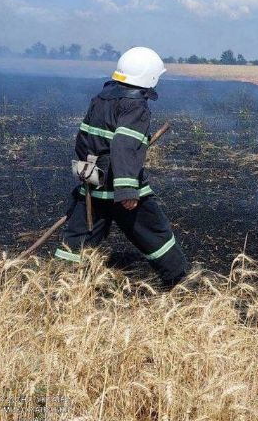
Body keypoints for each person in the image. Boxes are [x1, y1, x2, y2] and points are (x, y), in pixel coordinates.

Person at [54, 46, 190, 286]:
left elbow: (84, 138)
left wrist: (86, 173)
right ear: (150, 77)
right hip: (119, 188)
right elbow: (124, 147)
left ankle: (62, 283)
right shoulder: (135, 106)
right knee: (155, 234)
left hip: (94, 183)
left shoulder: (100, 99)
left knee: (79, 237)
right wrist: (127, 190)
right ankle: (179, 280)